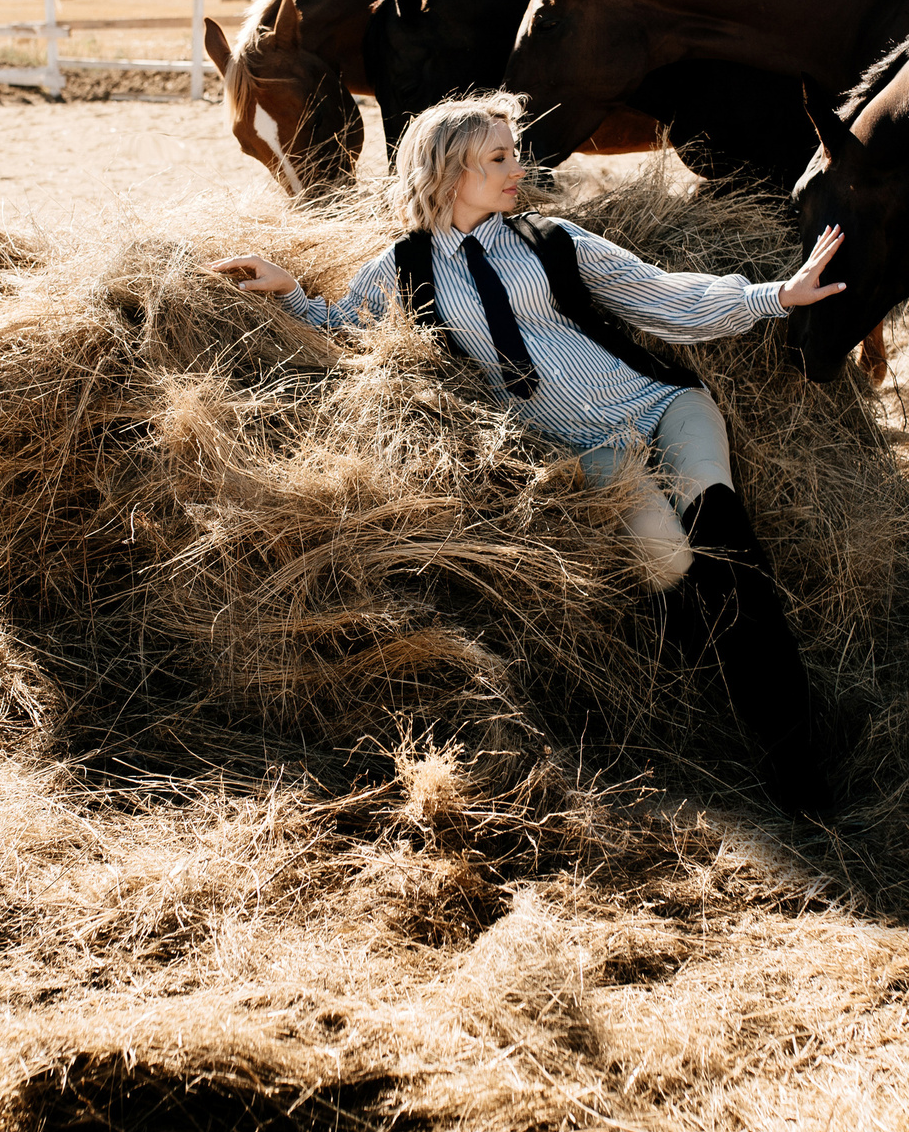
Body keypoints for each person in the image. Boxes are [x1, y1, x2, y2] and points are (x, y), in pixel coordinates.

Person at [208, 91, 851, 815]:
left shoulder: (553, 238)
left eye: (514, 154)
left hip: (659, 402)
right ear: (452, 169)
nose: (519, 168)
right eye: (499, 157)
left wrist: (775, 295)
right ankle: (727, 710)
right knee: (668, 562)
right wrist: (290, 291)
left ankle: (796, 761)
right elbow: (345, 328)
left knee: (723, 538)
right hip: (586, 448)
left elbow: (665, 298)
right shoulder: (402, 268)